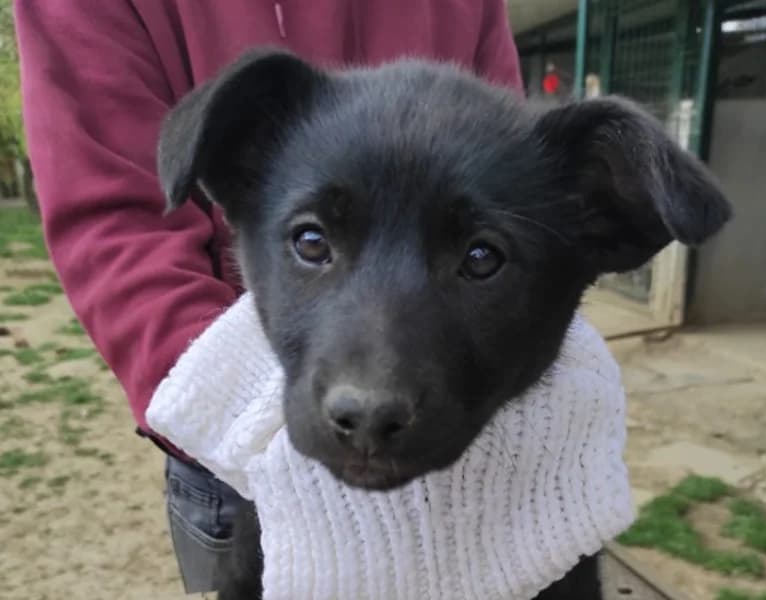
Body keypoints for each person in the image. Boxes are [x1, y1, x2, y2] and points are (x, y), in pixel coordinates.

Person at [14, 1, 523, 594]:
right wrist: (244, 420)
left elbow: (507, 162)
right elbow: (117, 220)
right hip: (246, 443)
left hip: (478, 447)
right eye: (312, 241)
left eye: (480, 257)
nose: (372, 395)